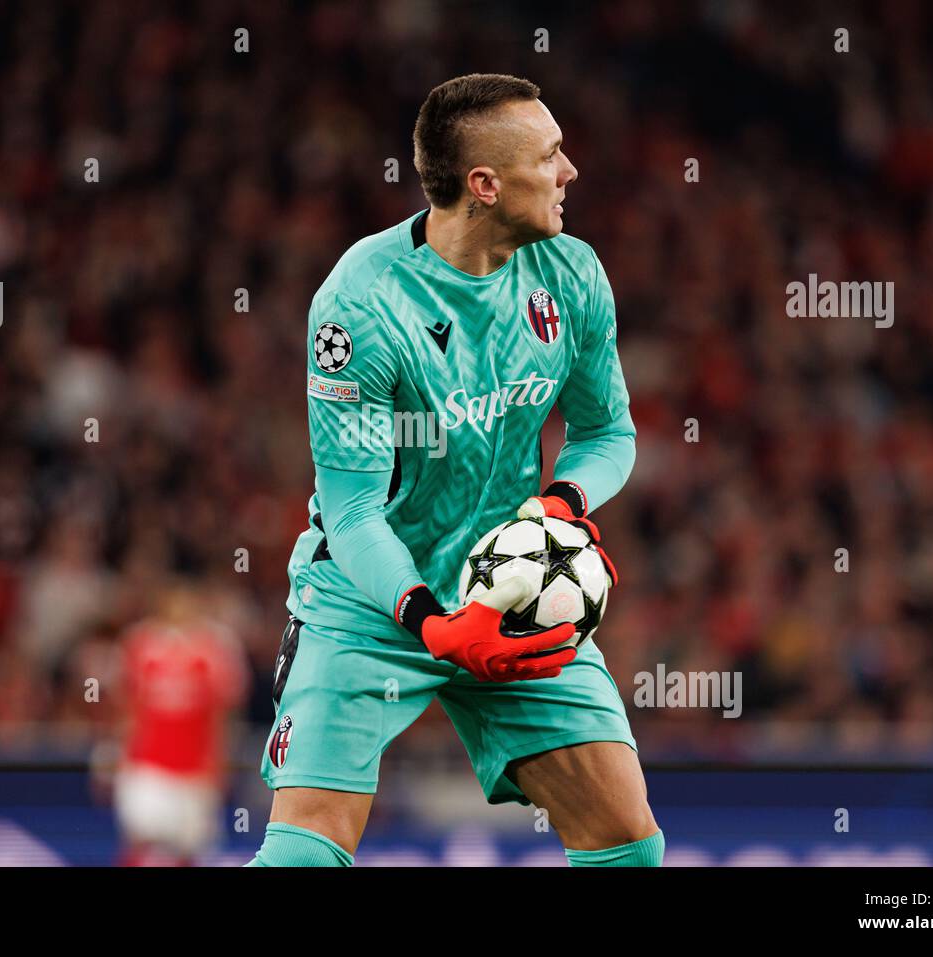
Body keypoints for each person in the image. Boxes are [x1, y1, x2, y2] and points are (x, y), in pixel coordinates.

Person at [248, 73, 662, 867]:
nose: (570, 170)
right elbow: (356, 511)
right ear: (485, 185)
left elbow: (607, 432)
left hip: (508, 588)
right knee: (304, 855)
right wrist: (430, 621)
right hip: (370, 602)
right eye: (550, 156)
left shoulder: (571, 275)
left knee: (627, 842)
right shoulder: (360, 304)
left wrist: (562, 508)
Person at [113, 586, 247, 866]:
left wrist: (219, 766)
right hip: (149, 764)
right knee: (143, 837)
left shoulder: (215, 650)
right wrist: (122, 756)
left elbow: (222, 716)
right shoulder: (142, 645)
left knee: (191, 847)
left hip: (195, 769)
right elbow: (129, 708)